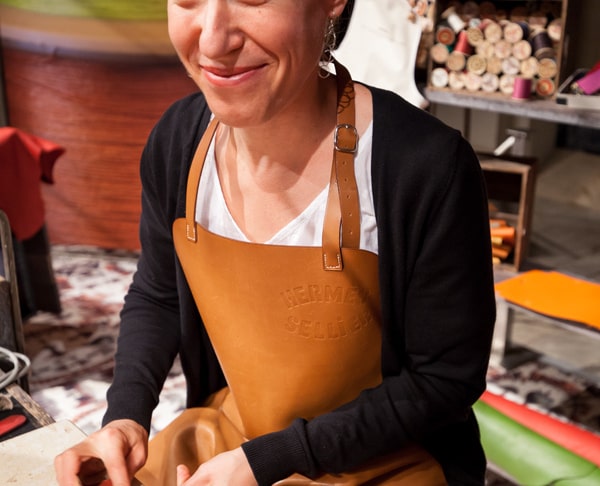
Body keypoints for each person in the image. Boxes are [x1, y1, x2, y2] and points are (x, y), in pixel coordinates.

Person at [54, 0, 496, 484]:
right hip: (234, 437)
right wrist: (125, 415)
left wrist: (272, 458)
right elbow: (160, 295)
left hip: (389, 459)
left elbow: (444, 379)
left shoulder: (424, 166)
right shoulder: (178, 142)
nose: (213, 41)